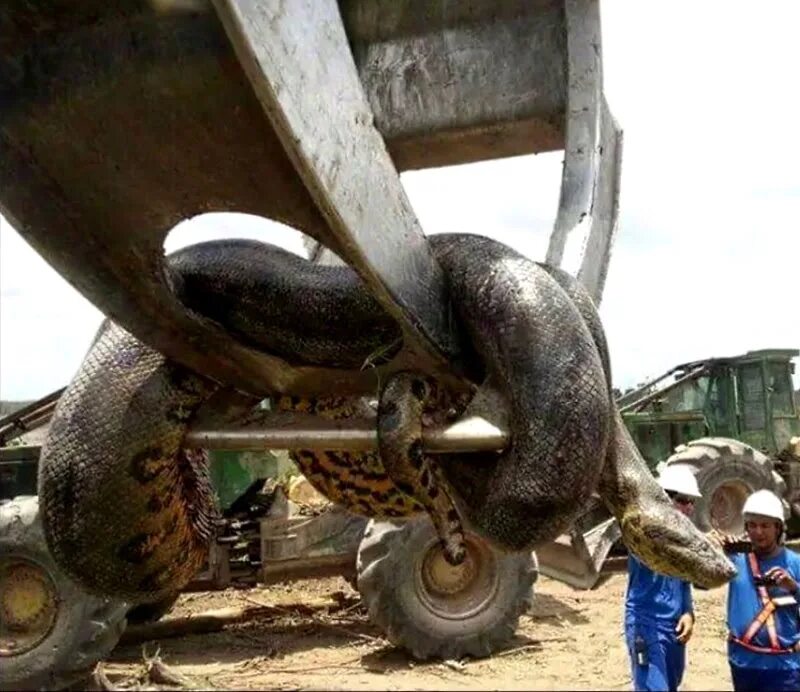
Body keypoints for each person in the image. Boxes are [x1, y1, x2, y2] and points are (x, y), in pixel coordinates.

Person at [624, 464, 701, 691]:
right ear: (665, 499)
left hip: (674, 626)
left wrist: (688, 612)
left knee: (671, 685)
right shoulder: (641, 533)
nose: (689, 508)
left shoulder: (684, 536)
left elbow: (684, 580)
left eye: (692, 502)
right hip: (646, 625)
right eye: (683, 500)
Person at [716, 489, 800, 691]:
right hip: (744, 664)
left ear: (778, 528)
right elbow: (701, 582)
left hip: (783, 669)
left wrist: (793, 587)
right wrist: (716, 551)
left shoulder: (795, 563)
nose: (758, 532)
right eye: (752, 525)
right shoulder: (735, 560)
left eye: (765, 526)